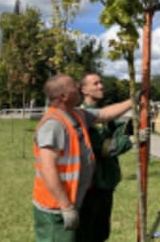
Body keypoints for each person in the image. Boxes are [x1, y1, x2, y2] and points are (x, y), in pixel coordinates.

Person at [32, 74, 133, 242]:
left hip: (72, 202)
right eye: (73, 86)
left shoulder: (77, 114)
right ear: (63, 96)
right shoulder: (52, 124)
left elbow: (105, 113)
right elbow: (48, 169)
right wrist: (65, 207)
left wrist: (133, 102)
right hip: (55, 207)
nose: (77, 87)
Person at [78, 73, 133, 242]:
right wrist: (131, 139)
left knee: (102, 233)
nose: (101, 86)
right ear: (84, 90)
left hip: (106, 184)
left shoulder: (104, 115)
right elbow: (105, 149)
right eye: (96, 83)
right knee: (87, 234)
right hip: (90, 187)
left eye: (101, 82)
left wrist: (133, 126)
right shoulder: (82, 116)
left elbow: (117, 129)